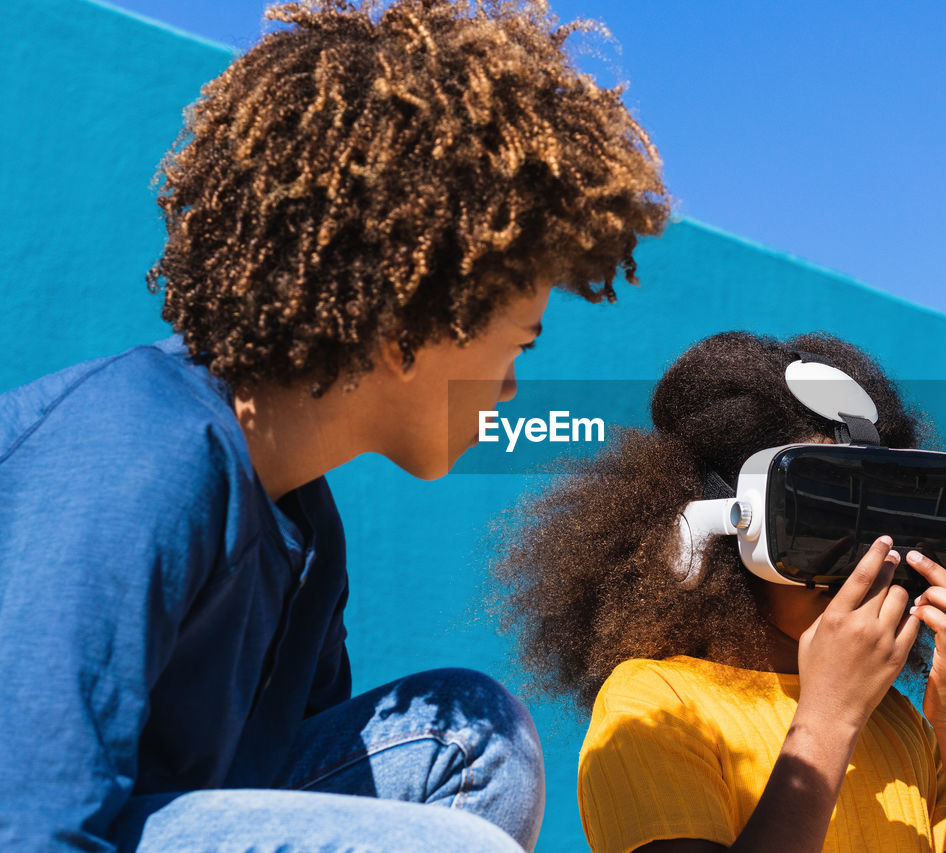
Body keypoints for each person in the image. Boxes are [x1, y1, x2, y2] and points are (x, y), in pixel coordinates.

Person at [0, 1, 667, 851]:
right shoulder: (139, 454)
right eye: (516, 344)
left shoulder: (306, 531)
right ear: (412, 318)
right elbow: (24, 812)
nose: (507, 389)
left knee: (477, 739)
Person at [492, 331, 946, 853]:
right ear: (712, 529)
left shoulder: (899, 724)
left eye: (886, 523)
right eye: (823, 522)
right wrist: (829, 717)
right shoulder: (658, 702)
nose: (868, 564)